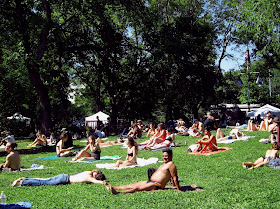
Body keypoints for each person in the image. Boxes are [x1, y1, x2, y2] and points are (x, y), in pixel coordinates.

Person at [106, 149, 181, 194]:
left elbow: (174, 177)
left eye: (166, 156)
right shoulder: (164, 164)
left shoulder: (171, 164)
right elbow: (170, 177)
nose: (164, 157)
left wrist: (178, 189)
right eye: (163, 156)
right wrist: (173, 185)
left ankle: (118, 192)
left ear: (171, 156)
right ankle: (113, 187)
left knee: (137, 188)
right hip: (150, 181)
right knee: (131, 184)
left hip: (156, 185)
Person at [12, 169, 106, 187]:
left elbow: (93, 173)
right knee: (43, 183)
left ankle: (25, 179)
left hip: (64, 176)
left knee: (44, 180)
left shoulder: (88, 172)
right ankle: (22, 183)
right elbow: (96, 182)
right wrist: (104, 183)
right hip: (64, 180)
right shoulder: (89, 178)